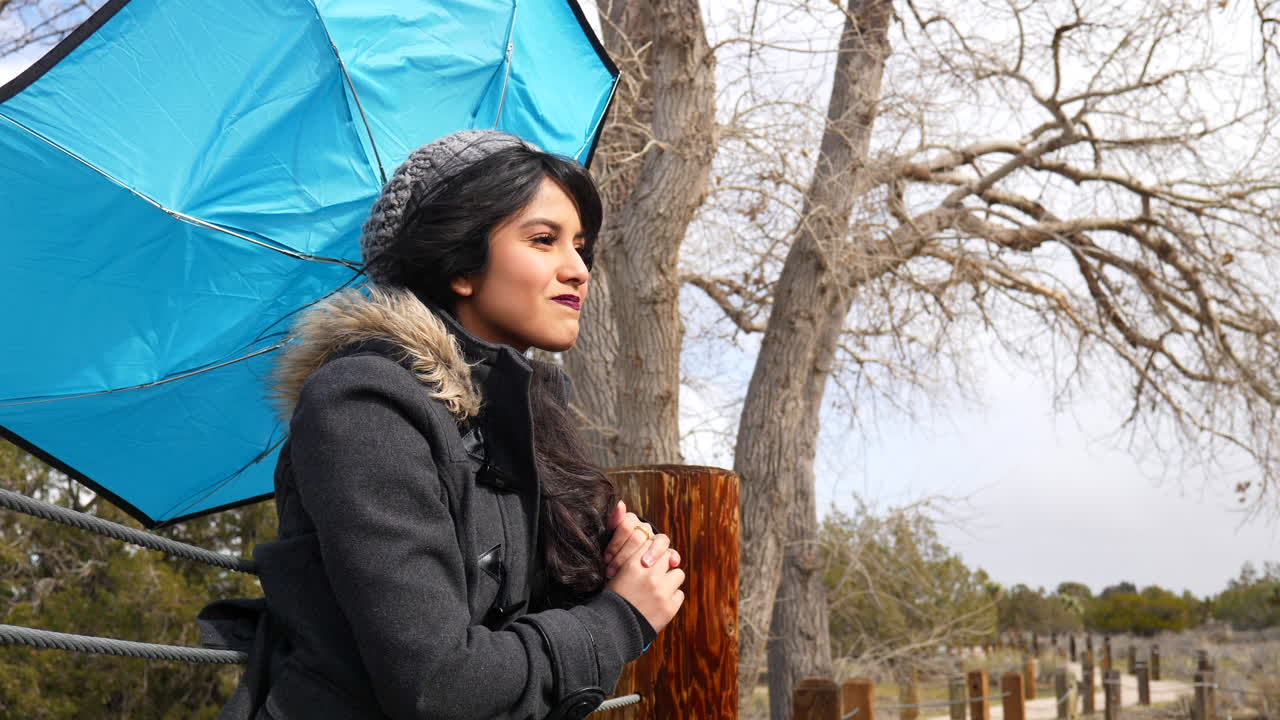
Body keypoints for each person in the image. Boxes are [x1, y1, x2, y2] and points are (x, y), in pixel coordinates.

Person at [211, 130, 686, 720]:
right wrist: (620, 617)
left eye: (581, 247)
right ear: (461, 264)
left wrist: (615, 563)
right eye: (544, 240)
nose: (578, 270)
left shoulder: (526, 416)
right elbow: (439, 686)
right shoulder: (365, 404)